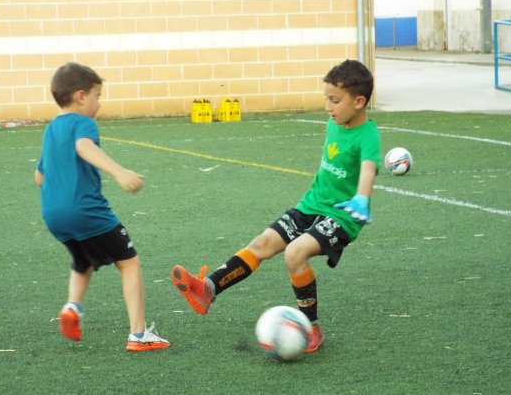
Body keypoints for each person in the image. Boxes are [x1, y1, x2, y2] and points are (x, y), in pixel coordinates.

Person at [171, 59, 380, 353]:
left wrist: (361, 197)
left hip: (343, 215)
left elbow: (368, 168)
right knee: (263, 243)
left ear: (359, 101)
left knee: (295, 254)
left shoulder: (368, 135)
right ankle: (209, 289)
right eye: (326, 99)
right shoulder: (335, 121)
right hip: (311, 206)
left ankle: (310, 327)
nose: (328, 107)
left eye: (334, 100)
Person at [35, 62, 169, 352]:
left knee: (83, 261)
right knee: (129, 262)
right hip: (86, 211)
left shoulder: (51, 129)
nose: (99, 103)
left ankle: (73, 307)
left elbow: (39, 176)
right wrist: (119, 172)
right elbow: (84, 147)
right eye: (97, 96)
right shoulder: (83, 123)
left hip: (53, 216)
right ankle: (139, 335)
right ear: (81, 96)